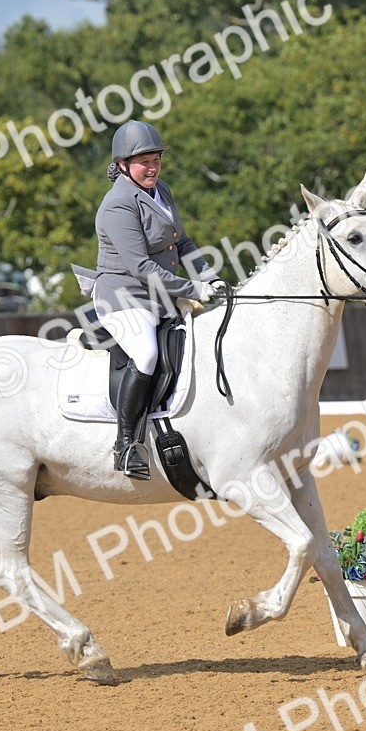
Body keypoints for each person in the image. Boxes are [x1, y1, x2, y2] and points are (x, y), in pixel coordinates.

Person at [92, 120, 225, 477]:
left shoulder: (160, 190)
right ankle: (125, 445)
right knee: (147, 353)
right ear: (123, 165)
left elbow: (182, 242)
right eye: (143, 162)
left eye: (156, 160)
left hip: (158, 295)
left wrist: (208, 275)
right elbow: (141, 267)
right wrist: (194, 289)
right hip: (122, 297)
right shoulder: (118, 205)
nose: (152, 168)